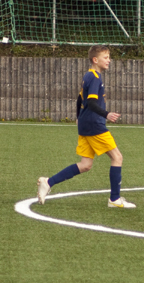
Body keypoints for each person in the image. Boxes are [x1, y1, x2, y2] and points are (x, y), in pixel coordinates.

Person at [36, 45, 135, 208]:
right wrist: (106, 114)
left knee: (85, 165)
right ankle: (114, 199)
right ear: (95, 60)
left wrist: (78, 117)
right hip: (94, 125)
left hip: (86, 124)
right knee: (117, 158)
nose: (109, 60)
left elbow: (79, 99)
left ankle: (48, 182)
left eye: (109, 57)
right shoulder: (95, 77)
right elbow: (91, 102)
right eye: (106, 57)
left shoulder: (89, 75)